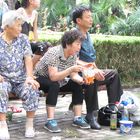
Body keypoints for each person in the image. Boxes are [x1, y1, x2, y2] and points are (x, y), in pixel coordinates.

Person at [71, 5, 123, 127]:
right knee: (91, 76)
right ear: (79, 20)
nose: (91, 19)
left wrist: (97, 69)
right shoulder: (74, 35)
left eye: (91, 17)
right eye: (87, 17)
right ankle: (91, 114)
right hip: (76, 73)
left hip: (89, 70)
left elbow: (91, 59)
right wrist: (93, 70)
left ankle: (112, 109)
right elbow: (73, 60)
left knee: (113, 74)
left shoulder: (88, 35)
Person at [34, 29, 91, 133]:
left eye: (80, 44)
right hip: (41, 78)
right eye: (77, 44)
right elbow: (53, 77)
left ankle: (77, 118)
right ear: (68, 43)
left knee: (76, 84)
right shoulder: (54, 53)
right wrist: (70, 70)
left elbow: (73, 75)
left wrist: (81, 80)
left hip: (59, 78)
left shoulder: (73, 54)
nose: (79, 47)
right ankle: (50, 121)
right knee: (54, 85)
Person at [0, 10, 40, 139]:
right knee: (0, 89)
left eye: (21, 25)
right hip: (4, 79)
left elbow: (28, 58)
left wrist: (29, 76)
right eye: (18, 25)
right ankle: (2, 124)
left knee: (32, 88)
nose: (21, 28)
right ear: (7, 27)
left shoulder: (23, 39)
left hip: (21, 79)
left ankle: (29, 124)